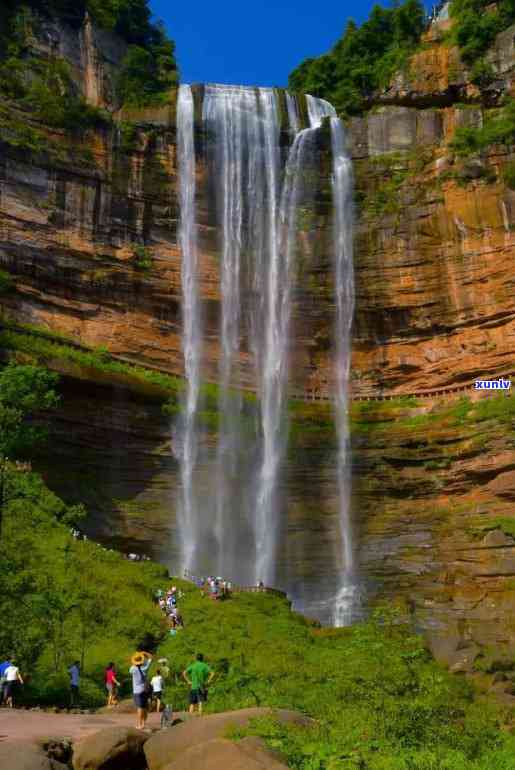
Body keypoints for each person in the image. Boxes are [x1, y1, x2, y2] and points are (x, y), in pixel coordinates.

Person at [129, 651, 153, 730]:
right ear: (141, 661)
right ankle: (144, 724)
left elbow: (132, 666)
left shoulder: (132, 669)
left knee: (139, 707)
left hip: (137, 691)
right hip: (145, 690)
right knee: (145, 707)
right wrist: (144, 653)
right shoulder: (145, 668)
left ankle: (139, 724)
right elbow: (151, 658)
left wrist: (136, 658)